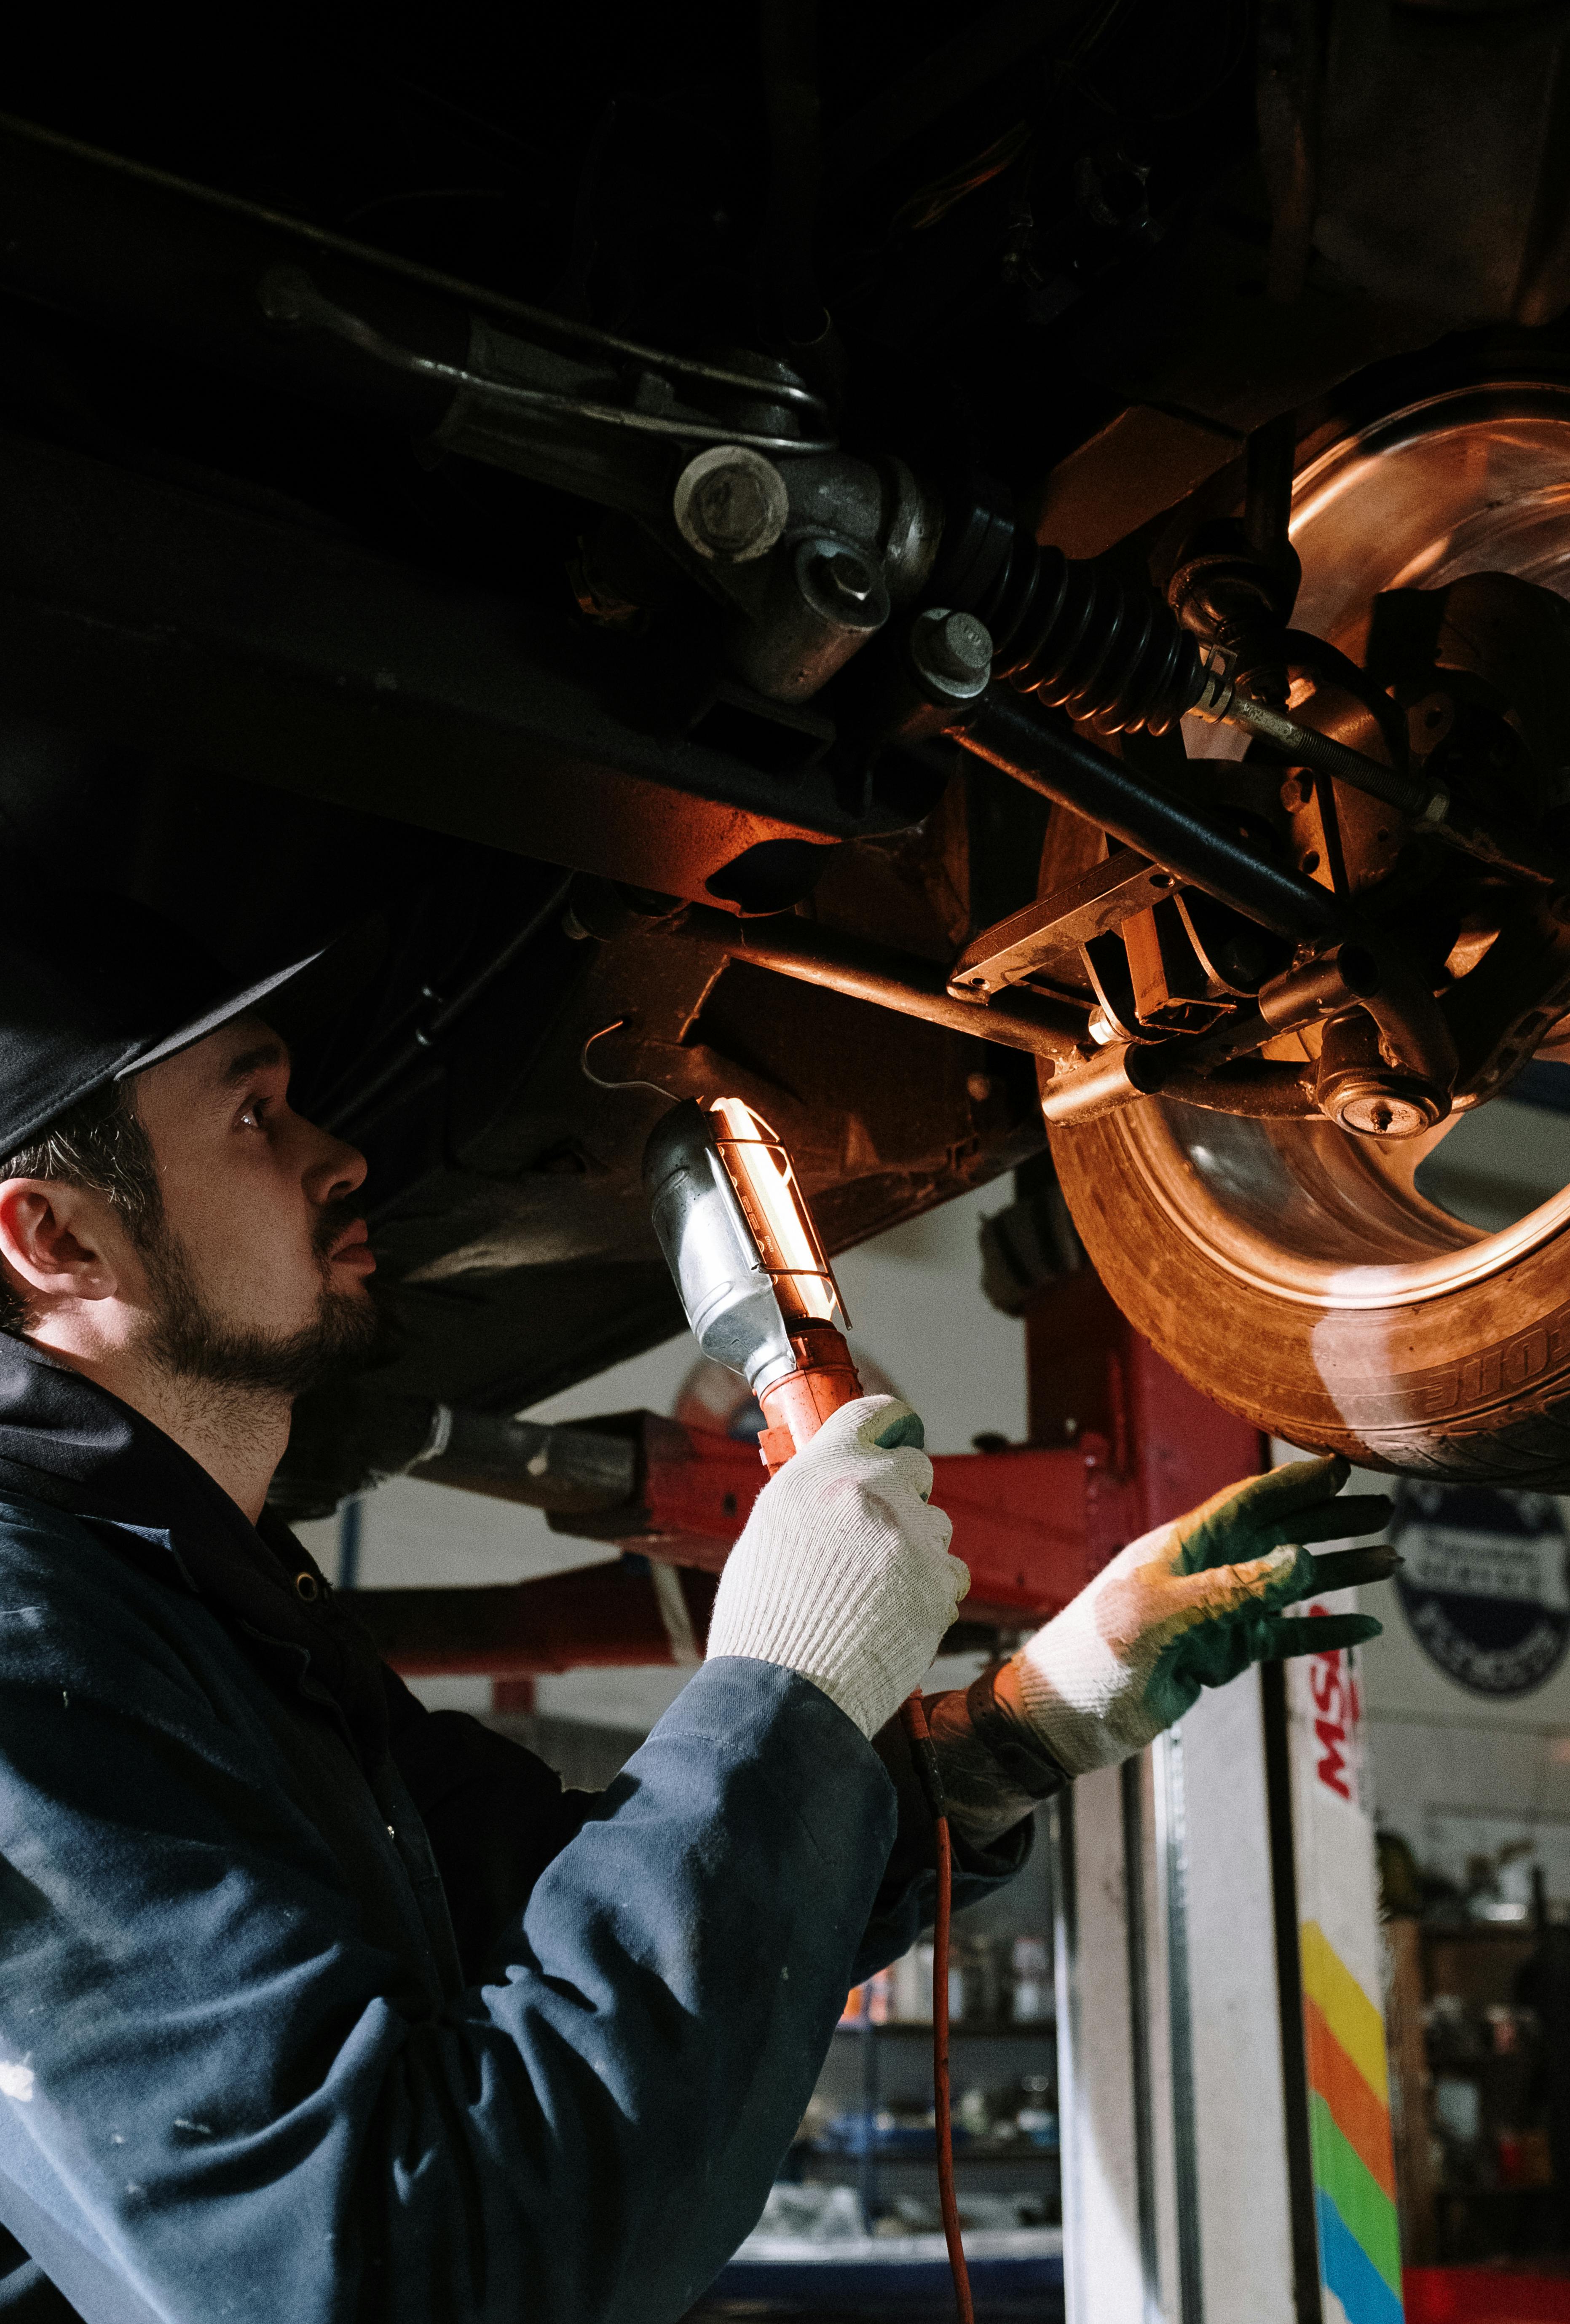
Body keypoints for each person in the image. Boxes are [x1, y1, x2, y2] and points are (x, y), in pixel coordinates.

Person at [0, 901, 1390, 2323]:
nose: (342, 1156)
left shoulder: (214, 1613)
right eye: (256, 1114)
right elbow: (385, 2274)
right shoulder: (22, 1646)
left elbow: (563, 1917)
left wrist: (1005, 1738)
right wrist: (778, 1689)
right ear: (56, 1238)